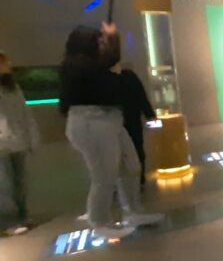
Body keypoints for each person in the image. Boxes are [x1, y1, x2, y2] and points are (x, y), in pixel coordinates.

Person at [60, 24, 163, 238]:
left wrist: (113, 37)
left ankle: (133, 212)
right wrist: (112, 39)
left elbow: (110, 60)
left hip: (109, 120)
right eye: (98, 41)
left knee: (131, 165)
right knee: (104, 174)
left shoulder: (87, 65)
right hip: (92, 123)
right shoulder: (77, 65)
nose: (101, 45)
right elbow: (108, 63)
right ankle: (99, 220)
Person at [0, 52, 40, 235]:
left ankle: (22, 216)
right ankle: (9, 222)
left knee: (20, 183)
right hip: (3, 143)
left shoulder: (12, 87)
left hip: (17, 140)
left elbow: (25, 113)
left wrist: (32, 137)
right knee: (5, 184)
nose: (7, 64)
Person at [116, 62, 156, 190]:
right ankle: (139, 179)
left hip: (116, 121)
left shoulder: (106, 80)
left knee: (117, 152)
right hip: (133, 119)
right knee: (137, 147)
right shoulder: (130, 77)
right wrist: (150, 114)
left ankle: (120, 182)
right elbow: (141, 97)